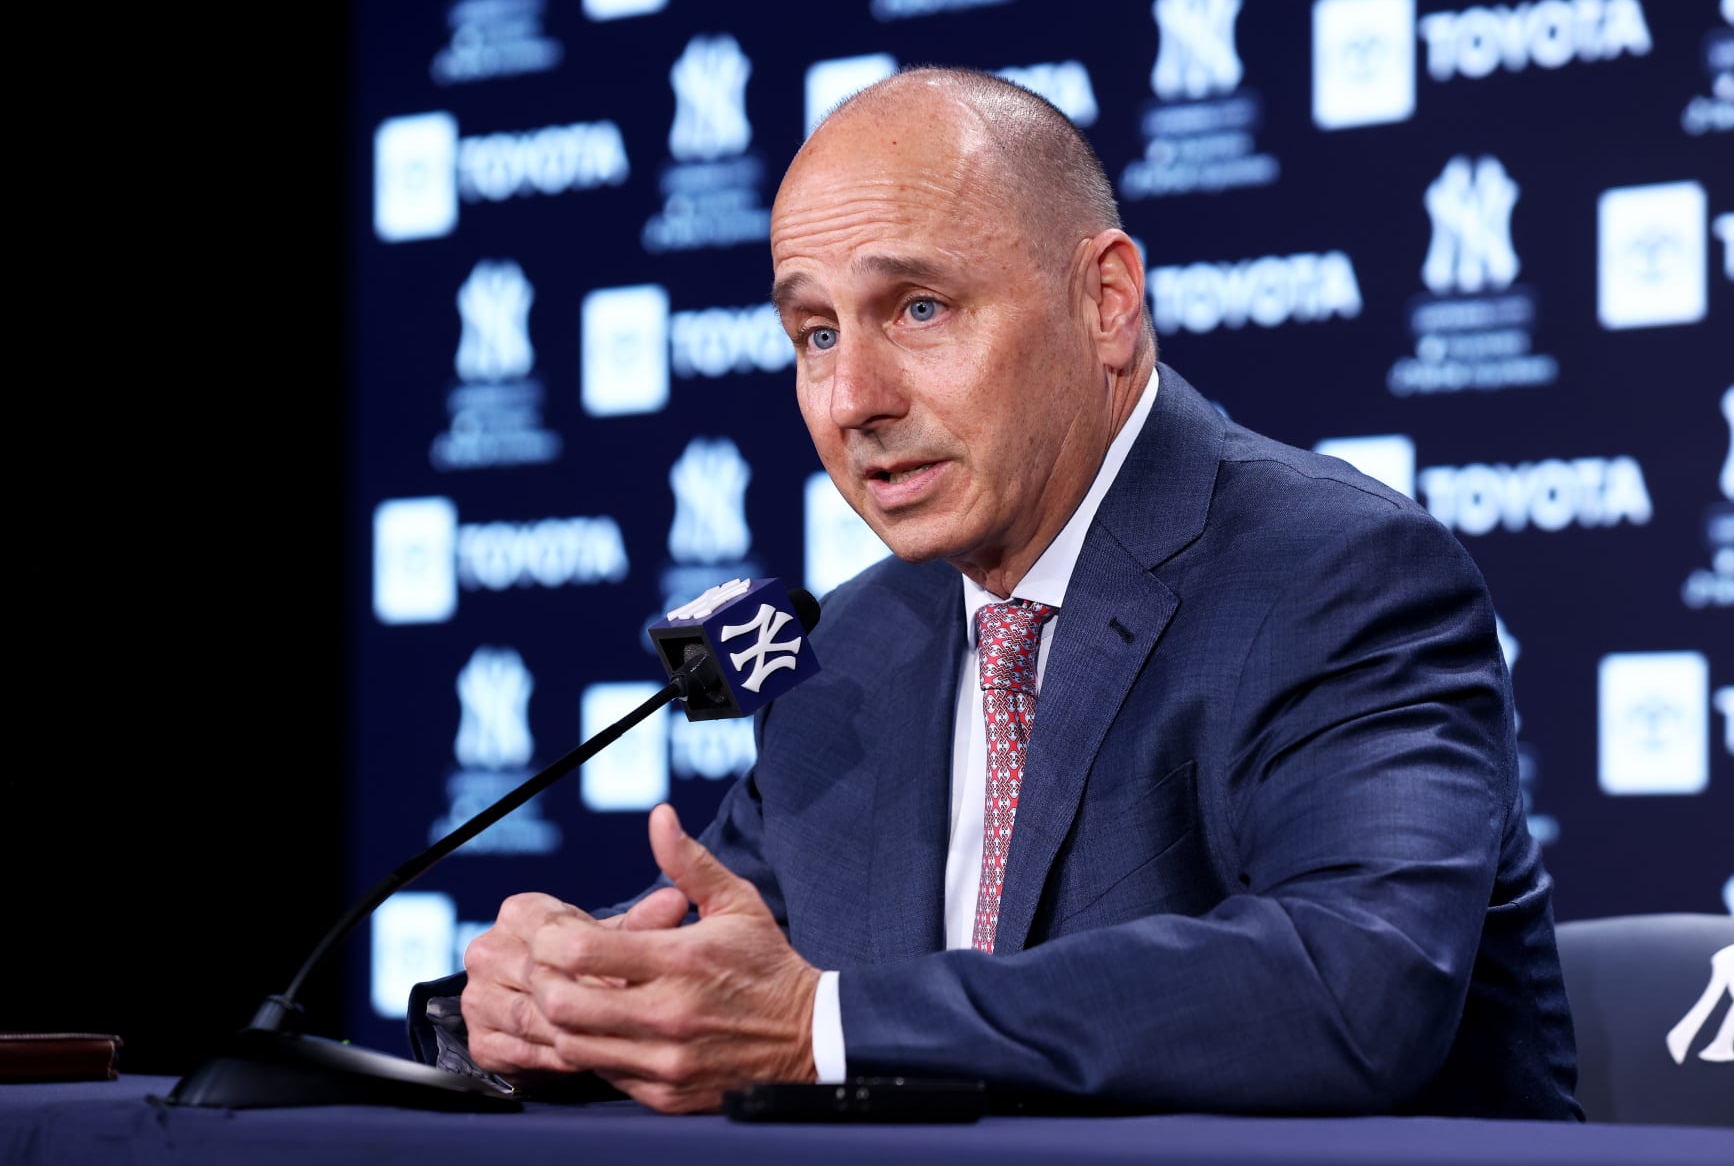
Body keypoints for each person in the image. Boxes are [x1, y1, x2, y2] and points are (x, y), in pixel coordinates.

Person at [407, 66, 1582, 1120]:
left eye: (919, 308)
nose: (851, 396)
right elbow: (730, 967)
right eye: (813, 333)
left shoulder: (1339, 573)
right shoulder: (856, 644)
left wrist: (821, 1033)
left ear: (1106, 303)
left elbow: (1352, 983)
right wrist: (549, 1004)